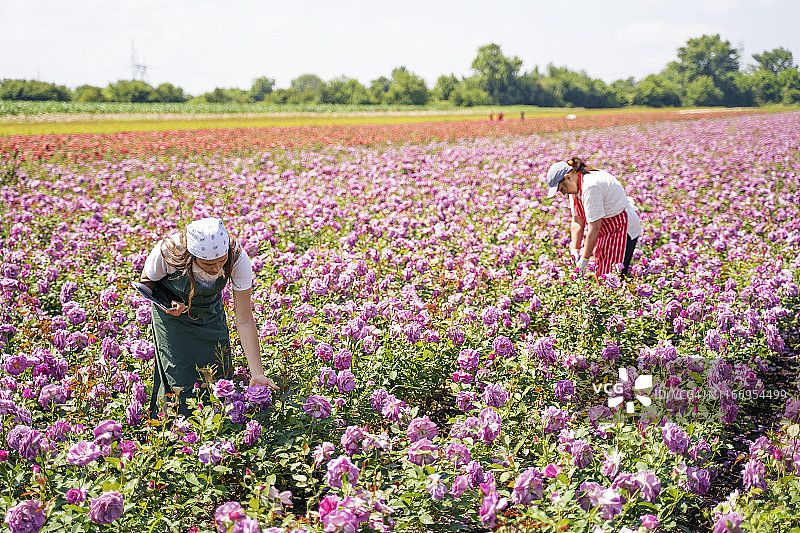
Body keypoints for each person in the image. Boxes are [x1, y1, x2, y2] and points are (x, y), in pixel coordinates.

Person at [139, 217, 278, 418]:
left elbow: (245, 318)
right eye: (207, 263)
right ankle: (180, 434)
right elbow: (146, 283)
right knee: (181, 376)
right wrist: (167, 301)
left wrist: (257, 373)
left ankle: (220, 430)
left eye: (221, 261)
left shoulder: (237, 257)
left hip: (209, 313)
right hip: (172, 319)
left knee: (218, 372)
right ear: (191, 256)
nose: (216, 268)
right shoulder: (168, 251)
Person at [545, 157, 641, 278]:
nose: (563, 193)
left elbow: (594, 228)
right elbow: (577, 221)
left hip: (621, 228)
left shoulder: (590, 186)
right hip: (604, 229)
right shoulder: (574, 186)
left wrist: (585, 260)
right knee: (602, 273)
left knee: (611, 277)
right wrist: (575, 250)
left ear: (567, 177)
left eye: (562, 189)